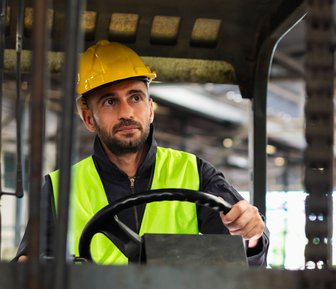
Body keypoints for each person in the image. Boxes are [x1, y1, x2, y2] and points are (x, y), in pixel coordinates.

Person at [15, 40, 269, 267]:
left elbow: (243, 256)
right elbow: (31, 263)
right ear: (88, 119)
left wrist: (252, 235)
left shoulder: (195, 172)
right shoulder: (58, 188)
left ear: (150, 108)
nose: (126, 112)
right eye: (110, 102)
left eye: (135, 97)